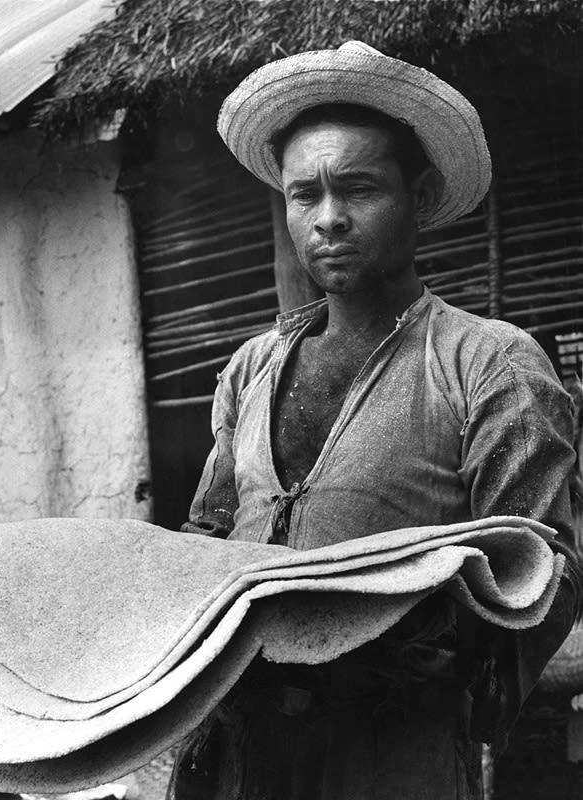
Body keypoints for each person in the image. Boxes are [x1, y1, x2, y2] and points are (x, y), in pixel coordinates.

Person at [170, 42, 581, 800]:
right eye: (305, 194)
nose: (328, 219)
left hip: (391, 755)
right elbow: (209, 532)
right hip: (236, 752)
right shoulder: (251, 367)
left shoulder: (489, 363)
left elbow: (540, 569)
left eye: (358, 188)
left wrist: (422, 636)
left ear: (419, 197)